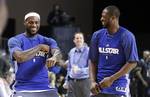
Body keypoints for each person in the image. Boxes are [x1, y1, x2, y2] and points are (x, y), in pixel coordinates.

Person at [8, 12, 62, 97]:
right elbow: (20, 57)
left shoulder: (47, 40)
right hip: (23, 88)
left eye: (36, 22)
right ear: (25, 23)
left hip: (44, 87)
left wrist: (54, 57)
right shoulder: (15, 40)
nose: (34, 25)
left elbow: (58, 52)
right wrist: (39, 47)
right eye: (31, 22)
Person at [89, 5, 139, 97]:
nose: (101, 19)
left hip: (119, 87)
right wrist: (92, 81)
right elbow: (92, 60)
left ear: (113, 18)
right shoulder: (97, 35)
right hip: (99, 87)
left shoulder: (127, 36)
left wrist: (111, 79)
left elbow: (132, 62)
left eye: (104, 17)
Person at [64, 32, 90, 97]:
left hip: (84, 82)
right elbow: (69, 68)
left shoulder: (88, 51)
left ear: (83, 40)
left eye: (81, 38)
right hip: (72, 81)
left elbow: (92, 69)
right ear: (74, 40)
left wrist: (80, 70)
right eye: (77, 38)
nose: (79, 40)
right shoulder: (71, 51)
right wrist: (66, 81)